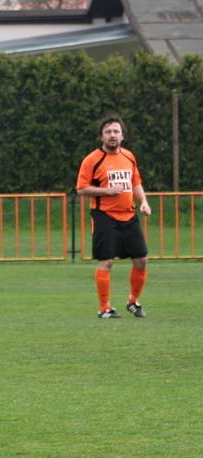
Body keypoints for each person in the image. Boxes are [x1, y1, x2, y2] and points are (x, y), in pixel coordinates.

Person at [77, 115, 151, 319]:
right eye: (108, 132)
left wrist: (143, 201)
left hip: (129, 215)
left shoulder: (129, 156)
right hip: (104, 216)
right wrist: (108, 191)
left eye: (116, 131)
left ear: (122, 136)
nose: (112, 135)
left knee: (141, 260)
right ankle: (104, 308)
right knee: (107, 262)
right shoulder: (92, 160)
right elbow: (81, 189)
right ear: (101, 136)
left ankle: (133, 302)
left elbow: (136, 182)